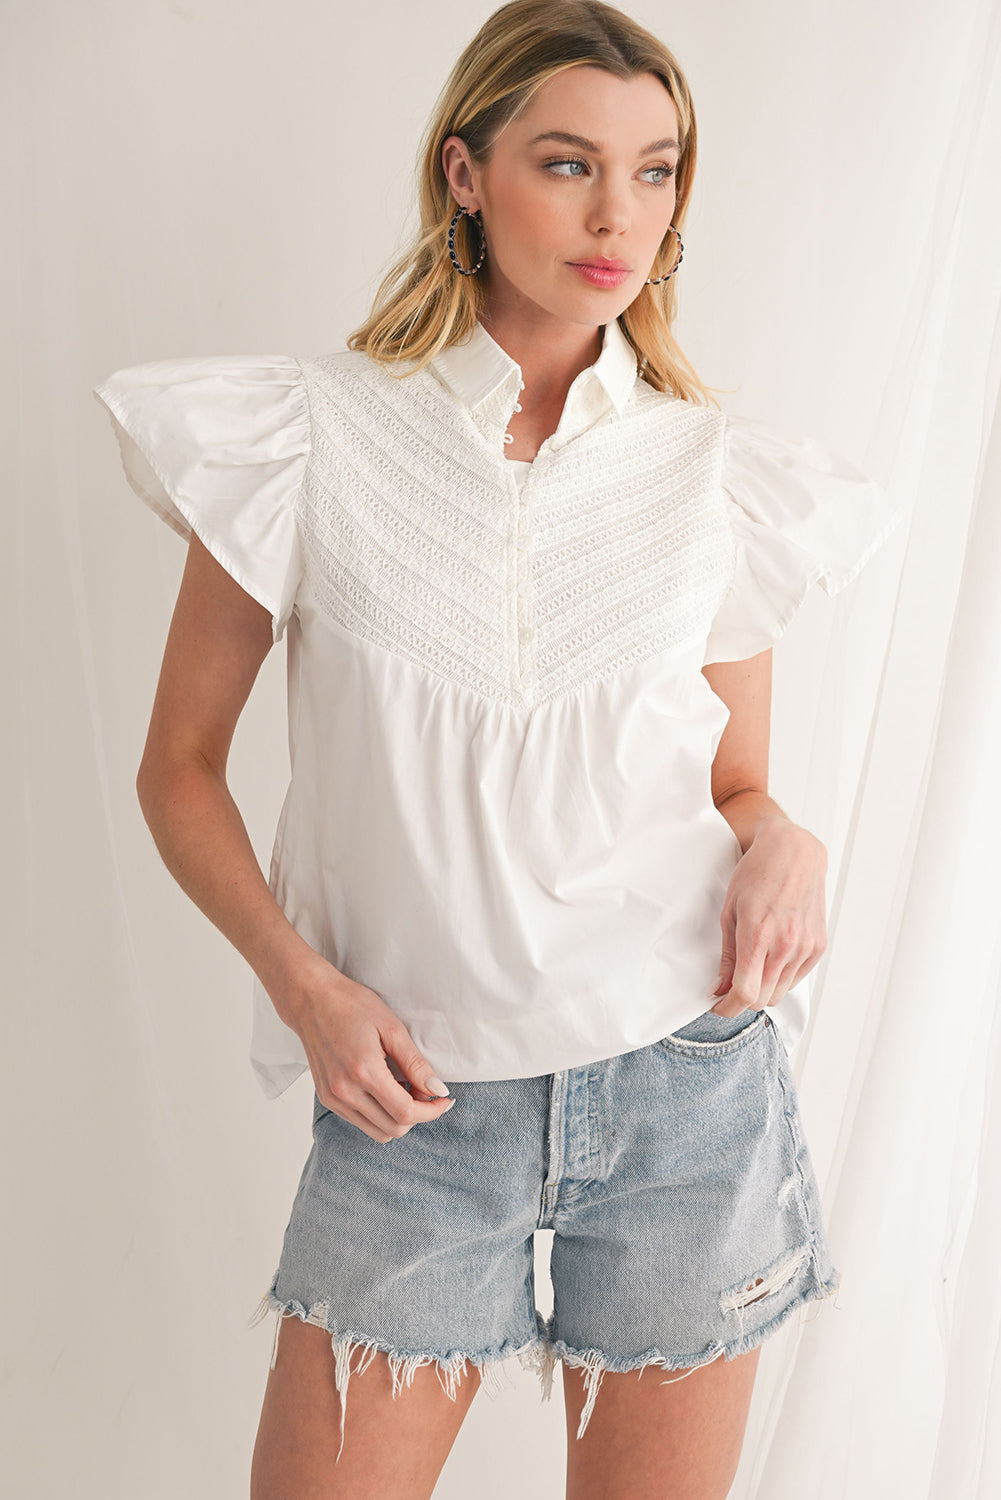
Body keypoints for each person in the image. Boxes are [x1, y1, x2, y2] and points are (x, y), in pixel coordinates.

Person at [91, 2, 903, 1496]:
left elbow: (735, 786)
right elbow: (178, 770)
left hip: (682, 1086)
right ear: (464, 173)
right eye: (568, 163)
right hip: (412, 1104)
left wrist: (785, 838)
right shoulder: (310, 435)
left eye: (655, 172)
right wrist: (307, 988)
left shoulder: (710, 474)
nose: (618, 218)